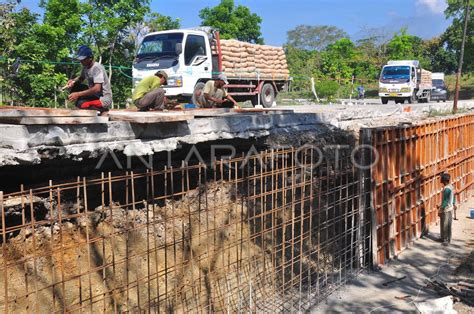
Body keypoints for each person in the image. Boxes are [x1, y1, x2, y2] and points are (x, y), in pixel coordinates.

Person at [66, 45, 113, 114]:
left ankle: (102, 109)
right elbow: (81, 78)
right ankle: (82, 104)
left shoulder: (97, 68)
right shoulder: (85, 66)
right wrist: (72, 81)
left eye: (83, 59)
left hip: (103, 99)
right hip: (95, 96)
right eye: (80, 60)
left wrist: (78, 94)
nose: (81, 61)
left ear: (90, 58)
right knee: (75, 85)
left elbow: (97, 89)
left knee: (81, 104)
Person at [438, 173, 455, 246]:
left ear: (444, 180)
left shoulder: (447, 189)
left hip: (446, 209)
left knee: (446, 225)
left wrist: (440, 209)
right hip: (450, 208)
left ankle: (446, 240)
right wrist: (454, 203)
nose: (440, 179)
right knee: (446, 224)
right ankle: (444, 238)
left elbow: (445, 200)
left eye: (441, 178)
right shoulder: (450, 186)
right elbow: (453, 196)